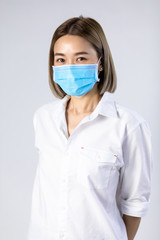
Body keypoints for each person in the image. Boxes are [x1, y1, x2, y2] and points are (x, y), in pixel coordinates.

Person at [27, 16, 153, 240]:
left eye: (81, 58)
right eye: (61, 60)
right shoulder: (44, 118)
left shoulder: (128, 126)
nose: (70, 68)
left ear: (101, 62)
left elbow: (135, 203)